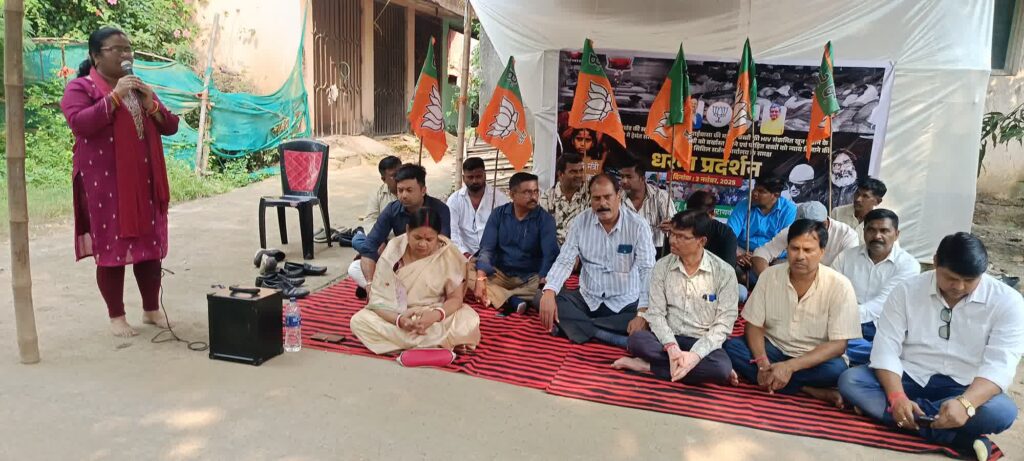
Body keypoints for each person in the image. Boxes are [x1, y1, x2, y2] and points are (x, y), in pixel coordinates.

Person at [838, 233, 1024, 460]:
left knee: (1002, 411)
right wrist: (897, 397)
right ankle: (956, 437)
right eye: (951, 278)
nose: (959, 287)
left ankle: (904, 418)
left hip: (966, 386)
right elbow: (886, 349)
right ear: (935, 262)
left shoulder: (1008, 302)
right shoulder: (907, 291)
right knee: (852, 381)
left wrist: (966, 404)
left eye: (969, 280)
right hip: (910, 376)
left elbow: (999, 366)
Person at [61, 28, 180, 337]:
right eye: (117, 49)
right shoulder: (81, 88)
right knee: (112, 248)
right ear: (96, 56)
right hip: (105, 185)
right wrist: (114, 97)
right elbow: (80, 123)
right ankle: (117, 316)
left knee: (149, 246)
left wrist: (152, 103)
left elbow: (171, 126)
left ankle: (151, 310)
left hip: (144, 181)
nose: (126, 55)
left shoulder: (139, 88)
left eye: (128, 49)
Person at [724, 219, 861, 406]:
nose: (800, 256)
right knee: (731, 348)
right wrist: (762, 363)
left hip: (813, 358)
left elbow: (838, 345)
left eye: (808, 250)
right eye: (795, 248)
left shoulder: (840, 286)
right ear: (786, 248)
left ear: (822, 252)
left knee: (837, 371)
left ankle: (777, 379)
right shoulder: (769, 276)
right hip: (773, 348)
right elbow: (753, 325)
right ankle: (808, 389)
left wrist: (789, 367)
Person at [612, 210, 739, 385]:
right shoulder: (662, 266)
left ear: (701, 241)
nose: (672, 240)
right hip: (667, 338)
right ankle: (685, 368)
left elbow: (724, 325)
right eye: (672, 233)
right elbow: (656, 314)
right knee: (636, 340)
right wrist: (672, 348)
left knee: (721, 368)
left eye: (681, 237)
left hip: (701, 340)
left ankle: (649, 366)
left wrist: (695, 356)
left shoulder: (724, 273)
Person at [537, 174, 655, 347]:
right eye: (596, 198)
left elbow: (647, 270)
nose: (602, 203)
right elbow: (565, 260)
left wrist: (642, 313)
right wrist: (549, 291)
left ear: (618, 196)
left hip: (625, 303)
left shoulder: (638, 226)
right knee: (542, 297)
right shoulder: (580, 222)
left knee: (653, 316)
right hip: (587, 299)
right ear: (590, 199)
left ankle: (579, 327)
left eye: (607, 197)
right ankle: (603, 333)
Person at [349, 207, 481, 355]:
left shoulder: (449, 253)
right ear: (407, 230)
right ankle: (439, 344)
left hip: (435, 313)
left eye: (429, 239)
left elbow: (455, 299)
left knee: (468, 320)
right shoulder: (394, 250)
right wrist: (400, 320)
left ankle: (404, 346)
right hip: (398, 312)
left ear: (438, 236)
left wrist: (435, 315)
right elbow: (378, 300)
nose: (423, 244)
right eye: (417, 238)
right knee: (359, 321)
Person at [832, 209, 919, 365]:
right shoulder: (846, 257)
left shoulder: (908, 265)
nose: (877, 236)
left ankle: (845, 353)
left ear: (897, 234)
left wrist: (845, 317)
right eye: (871, 230)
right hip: (844, 325)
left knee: (830, 343)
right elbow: (830, 291)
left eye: (884, 231)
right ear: (863, 231)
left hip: (882, 327)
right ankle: (878, 358)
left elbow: (883, 303)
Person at [348, 163, 451, 291]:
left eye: (409, 190)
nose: (404, 195)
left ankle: (390, 291)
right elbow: (370, 246)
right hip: (400, 264)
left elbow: (442, 246)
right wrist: (369, 283)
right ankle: (382, 290)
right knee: (354, 268)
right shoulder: (392, 209)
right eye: (400, 190)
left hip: (430, 264)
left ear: (423, 190)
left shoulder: (440, 209)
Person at [475, 172, 559, 313]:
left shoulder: (545, 220)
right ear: (512, 195)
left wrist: (543, 283)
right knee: (467, 272)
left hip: (530, 278)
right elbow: (487, 248)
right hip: (500, 274)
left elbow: (549, 256)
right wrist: (480, 277)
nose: (534, 197)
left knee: (553, 288)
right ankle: (513, 299)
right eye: (527, 192)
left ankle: (503, 297)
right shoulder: (498, 214)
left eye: (536, 191)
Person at [750, 201, 859, 274]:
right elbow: (761, 253)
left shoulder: (847, 235)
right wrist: (768, 280)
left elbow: (847, 271)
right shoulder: (796, 229)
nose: (804, 233)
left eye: (809, 229)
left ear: (825, 224)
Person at [726, 177, 797, 274]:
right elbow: (729, 235)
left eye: (761, 191)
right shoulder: (744, 205)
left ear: (776, 195)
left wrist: (761, 257)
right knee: (727, 259)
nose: (754, 193)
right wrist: (737, 255)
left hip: (774, 255)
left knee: (786, 270)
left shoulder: (789, 209)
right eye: (755, 188)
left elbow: (785, 242)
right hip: (745, 252)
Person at [446, 157, 510, 256]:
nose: (475, 181)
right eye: (470, 177)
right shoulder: (454, 200)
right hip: (462, 255)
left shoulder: (499, 198)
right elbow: (451, 232)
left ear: (485, 175)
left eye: (478, 176)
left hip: (493, 254)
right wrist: (466, 255)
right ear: (463, 178)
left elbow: (507, 230)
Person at [618, 156, 674, 255]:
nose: (624, 181)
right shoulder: (617, 198)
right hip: (625, 250)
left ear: (642, 178)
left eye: (629, 177)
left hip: (656, 251)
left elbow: (673, 224)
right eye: (622, 177)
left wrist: (670, 225)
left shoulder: (661, 196)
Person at [351, 156, 401, 253]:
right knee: (357, 240)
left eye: (400, 172)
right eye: (394, 175)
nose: (399, 178)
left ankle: (375, 255)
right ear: (384, 179)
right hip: (384, 239)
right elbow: (370, 220)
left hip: (405, 238)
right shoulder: (377, 194)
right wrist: (380, 240)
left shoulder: (412, 189)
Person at [540, 152, 590, 245]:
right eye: (573, 172)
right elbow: (543, 231)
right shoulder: (547, 198)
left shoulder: (589, 193)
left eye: (581, 170)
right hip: (555, 249)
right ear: (560, 174)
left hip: (585, 248)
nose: (579, 175)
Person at [685, 191, 737, 269]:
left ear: (712, 214)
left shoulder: (726, 234)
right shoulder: (679, 231)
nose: (696, 221)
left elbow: (728, 270)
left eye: (700, 217)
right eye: (692, 216)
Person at [830, 177, 887, 244]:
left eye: (865, 196)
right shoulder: (837, 212)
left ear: (878, 201)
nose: (858, 199)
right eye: (857, 193)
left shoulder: (880, 223)